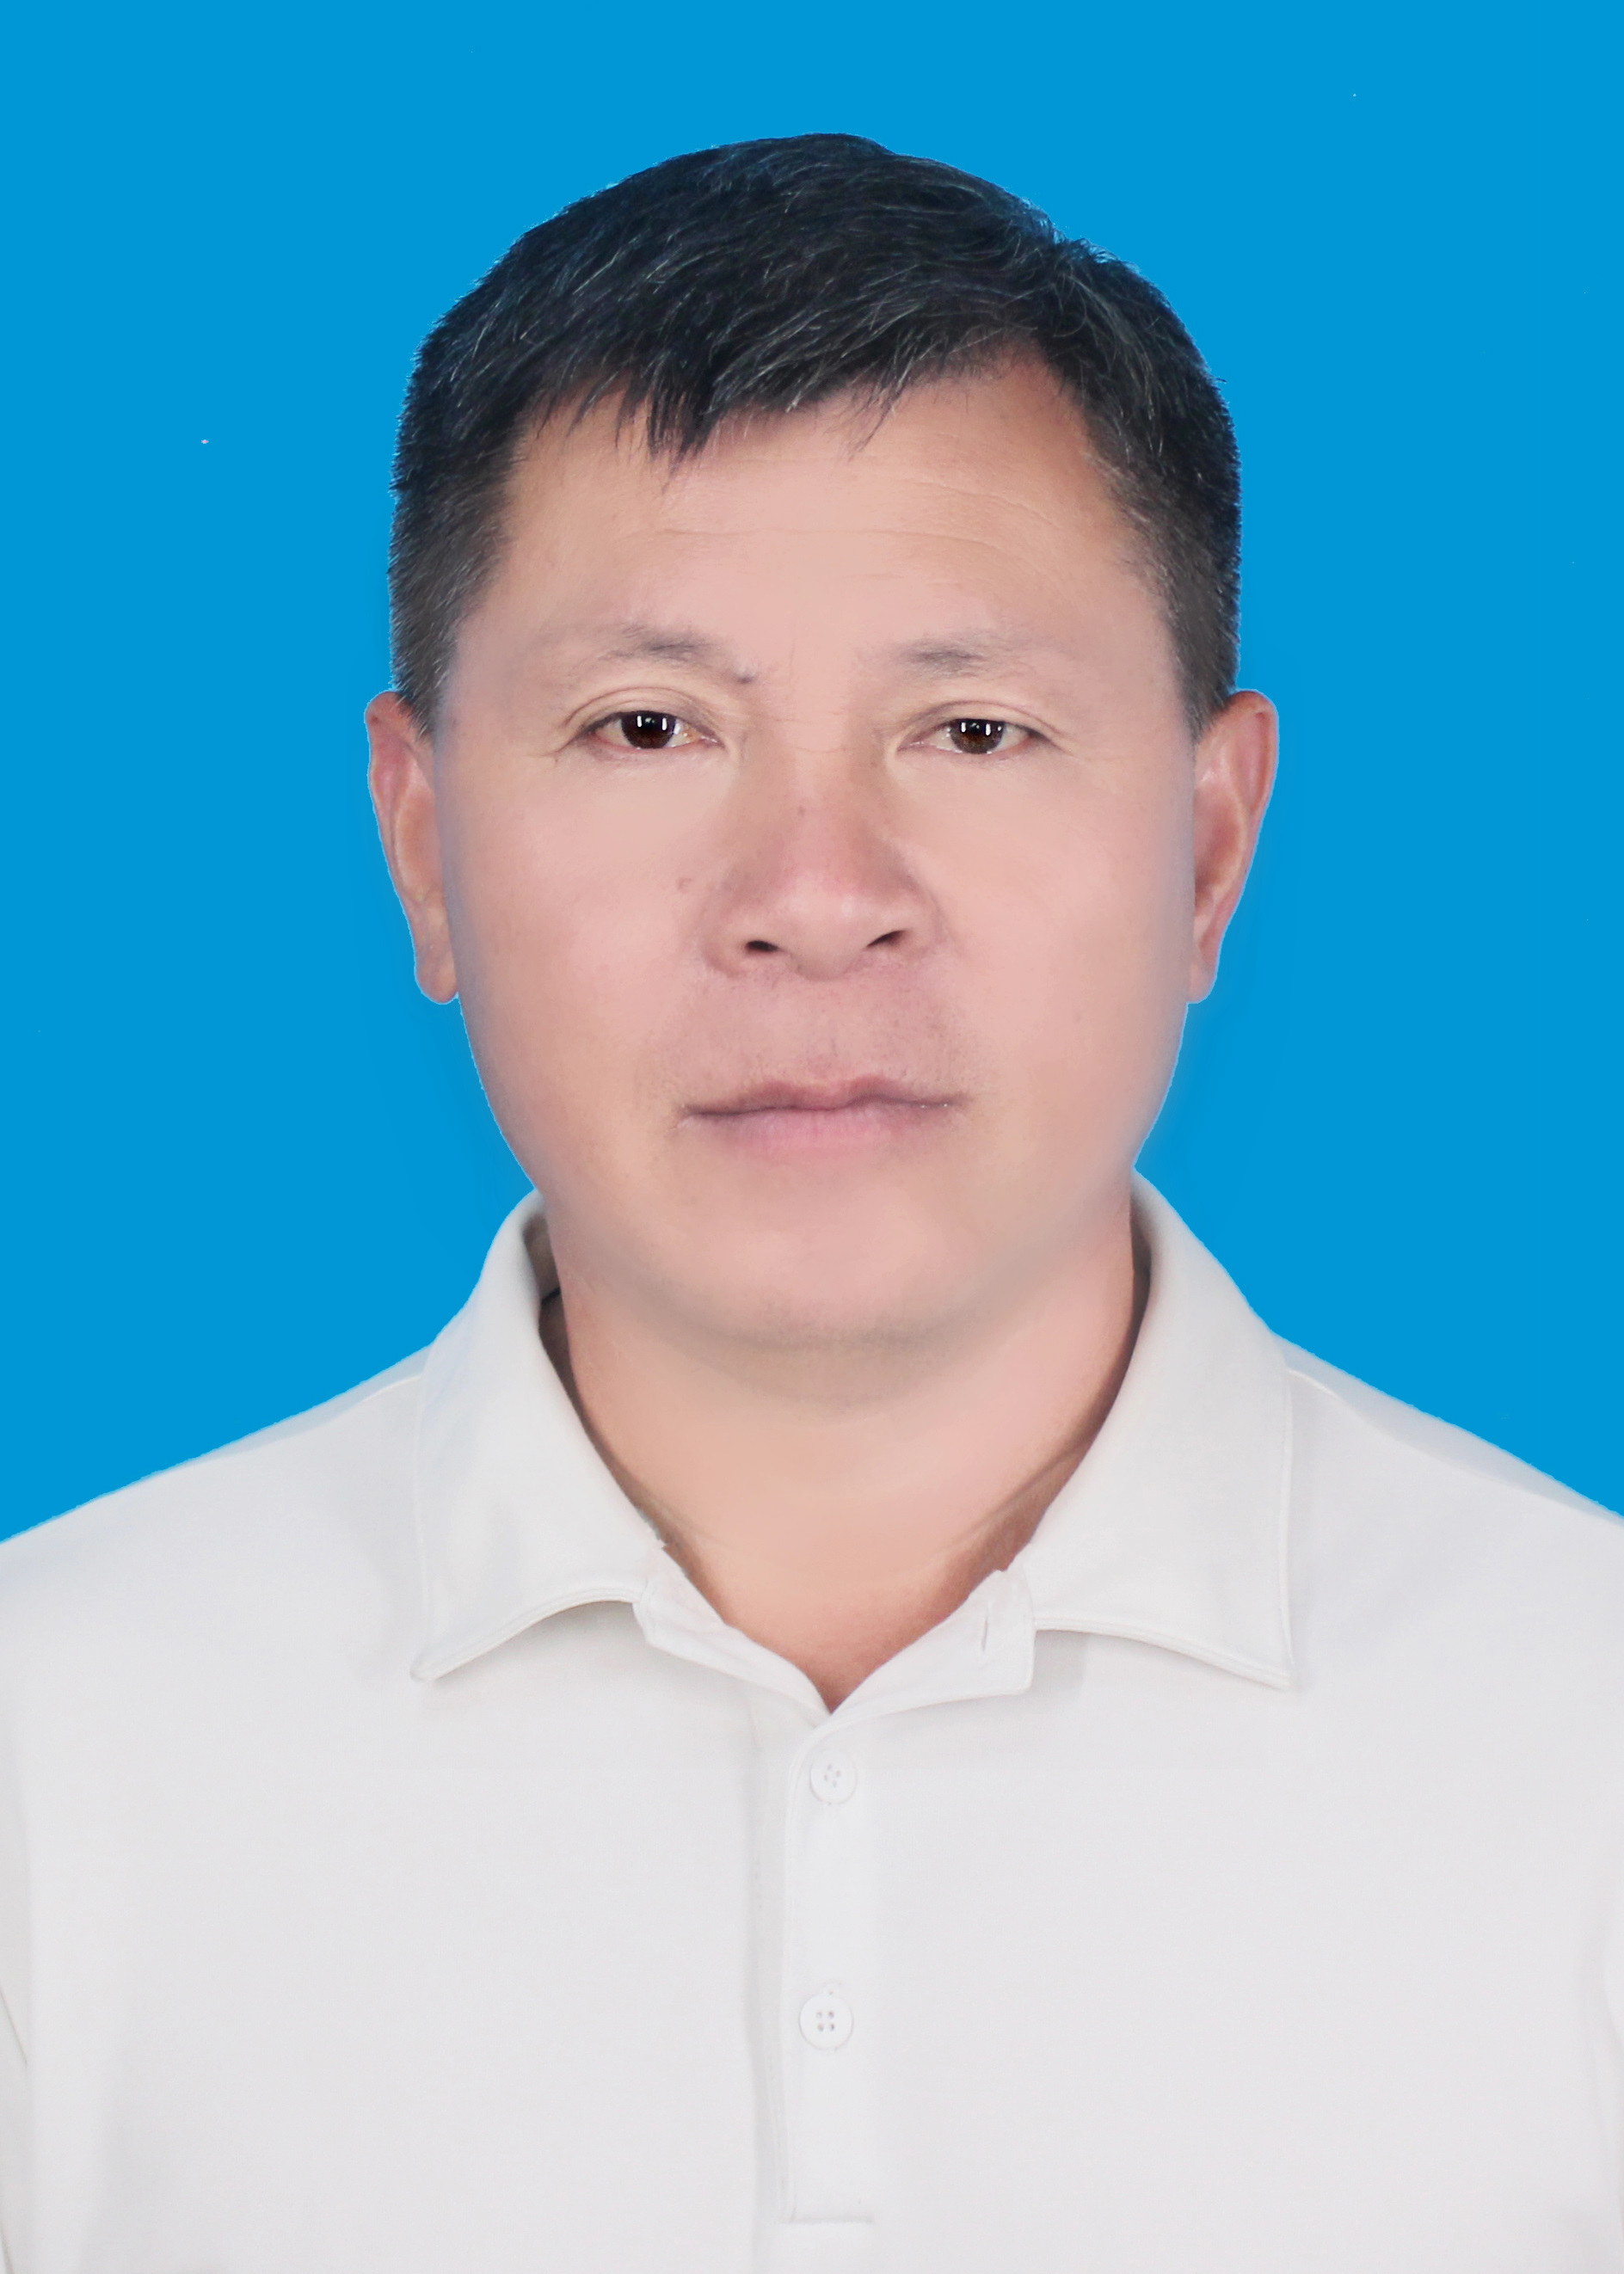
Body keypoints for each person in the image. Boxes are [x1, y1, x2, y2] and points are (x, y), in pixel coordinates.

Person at [0, 133, 1617, 2274]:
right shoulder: (52, 1750)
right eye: (645, 724)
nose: (816, 897)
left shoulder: (1579, 1732)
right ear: (419, 838)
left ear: (1211, 846)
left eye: (973, 728)